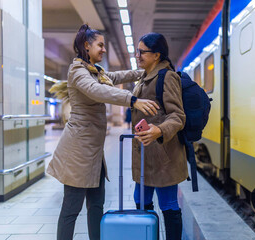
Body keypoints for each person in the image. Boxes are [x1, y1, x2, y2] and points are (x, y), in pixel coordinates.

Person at [46, 24, 159, 240]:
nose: (104, 49)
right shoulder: (77, 71)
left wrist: (147, 71)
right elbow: (96, 91)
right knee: (71, 209)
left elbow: (117, 77)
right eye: (100, 45)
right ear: (86, 46)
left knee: (96, 206)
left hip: (94, 154)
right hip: (77, 153)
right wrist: (132, 100)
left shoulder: (96, 72)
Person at [132, 32, 188, 240]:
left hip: (164, 155)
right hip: (145, 155)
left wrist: (160, 130)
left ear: (156, 55)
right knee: (141, 202)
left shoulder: (167, 77)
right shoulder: (144, 77)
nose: (138, 55)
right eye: (138, 51)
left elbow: (178, 116)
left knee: (168, 205)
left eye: (142, 52)